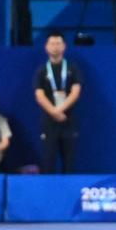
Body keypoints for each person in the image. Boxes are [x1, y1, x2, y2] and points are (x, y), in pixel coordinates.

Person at [33, 29, 82, 172]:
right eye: (52, 43)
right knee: (48, 159)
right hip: (49, 122)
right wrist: (53, 112)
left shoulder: (73, 68)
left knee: (69, 160)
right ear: (46, 47)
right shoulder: (41, 71)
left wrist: (60, 110)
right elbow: (39, 95)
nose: (55, 46)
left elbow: (75, 92)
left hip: (68, 119)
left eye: (58, 43)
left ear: (64, 46)